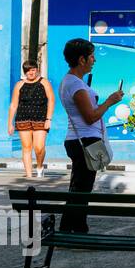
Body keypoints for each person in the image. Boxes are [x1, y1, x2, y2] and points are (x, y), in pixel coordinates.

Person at [58, 39, 124, 232]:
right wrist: (110, 101)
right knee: (82, 189)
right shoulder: (76, 86)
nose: (94, 59)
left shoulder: (71, 82)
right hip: (85, 141)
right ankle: (77, 230)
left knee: (78, 187)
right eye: (91, 56)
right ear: (81, 59)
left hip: (79, 140)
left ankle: (68, 229)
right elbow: (90, 117)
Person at [8, 61, 54, 179]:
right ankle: (29, 175)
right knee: (26, 147)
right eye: (28, 70)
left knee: (39, 147)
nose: (31, 72)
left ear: (37, 70)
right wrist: (10, 123)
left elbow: (51, 100)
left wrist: (49, 119)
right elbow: (13, 105)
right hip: (23, 119)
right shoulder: (19, 84)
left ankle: (39, 167)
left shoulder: (44, 82)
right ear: (25, 72)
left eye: (33, 70)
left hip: (40, 119)